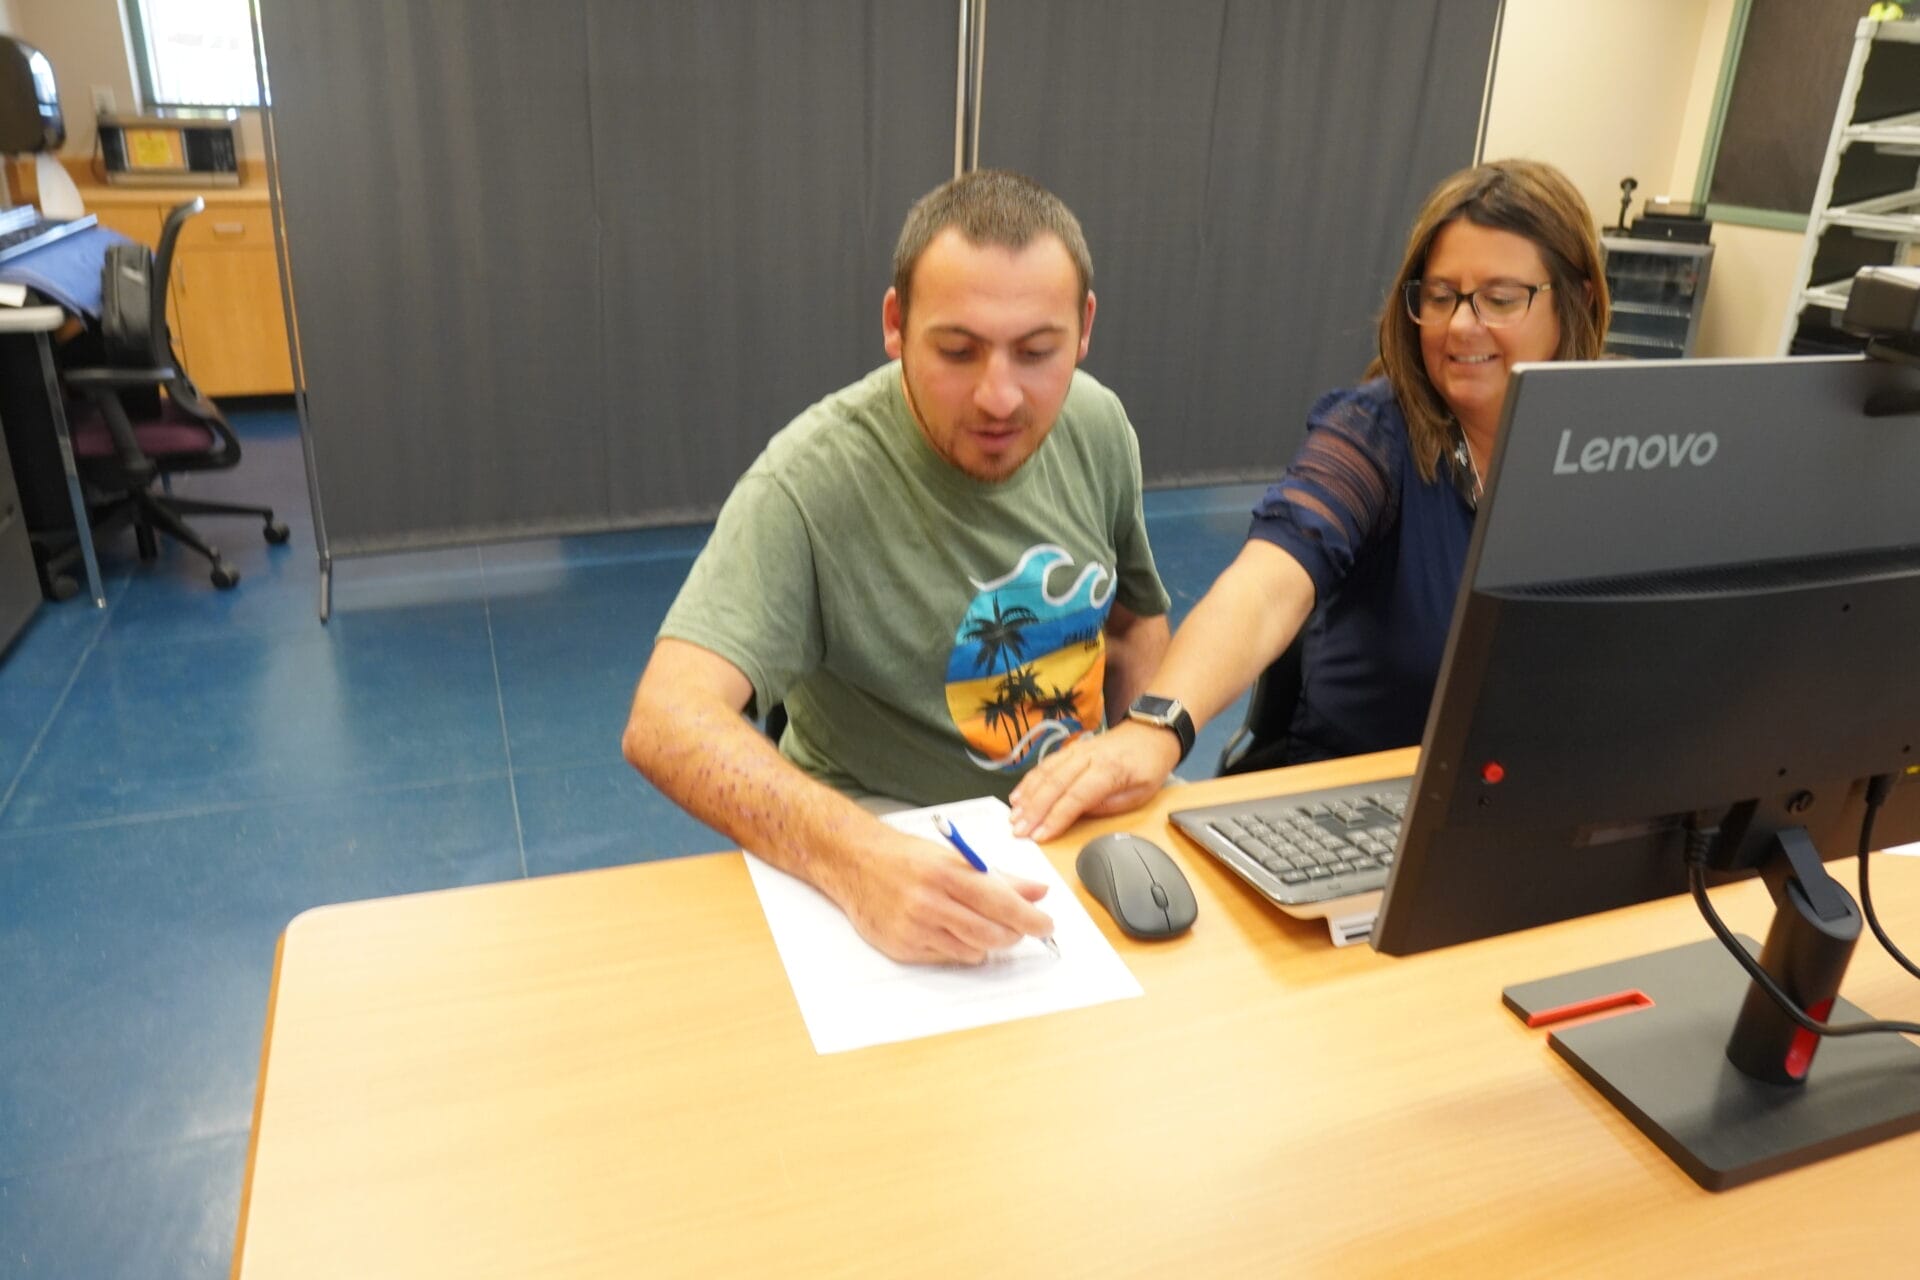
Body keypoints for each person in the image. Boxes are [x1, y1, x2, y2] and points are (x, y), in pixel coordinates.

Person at [622, 170, 1172, 965]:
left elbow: (1136, 621)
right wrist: (856, 858)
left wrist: (1131, 750)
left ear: (1084, 329)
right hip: (887, 833)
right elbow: (667, 720)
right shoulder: (811, 481)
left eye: (1037, 352)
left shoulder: (1097, 425)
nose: (999, 397)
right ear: (895, 323)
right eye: (957, 350)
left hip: (1068, 829)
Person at [1009, 158, 1609, 842]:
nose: (1461, 325)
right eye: (1440, 295)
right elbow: (1268, 584)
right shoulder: (1375, 434)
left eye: (1500, 298)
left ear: (1577, 300)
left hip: (1531, 818)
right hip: (1348, 819)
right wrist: (1157, 728)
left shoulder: (1620, 443)